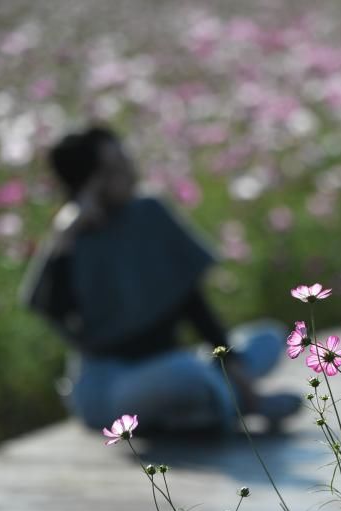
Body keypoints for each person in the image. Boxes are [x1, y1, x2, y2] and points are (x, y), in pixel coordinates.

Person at [21, 126, 301, 436]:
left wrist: (234, 367)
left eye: (126, 159)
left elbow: (194, 304)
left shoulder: (149, 213)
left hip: (169, 365)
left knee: (268, 339)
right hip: (112, 384)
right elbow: (52, 308)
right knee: (186, 373)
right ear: (89, 185)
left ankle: (207, 407)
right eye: (114, 169)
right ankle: (232, 406)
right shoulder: (74, 241)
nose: (130, 172)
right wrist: (64, 240)